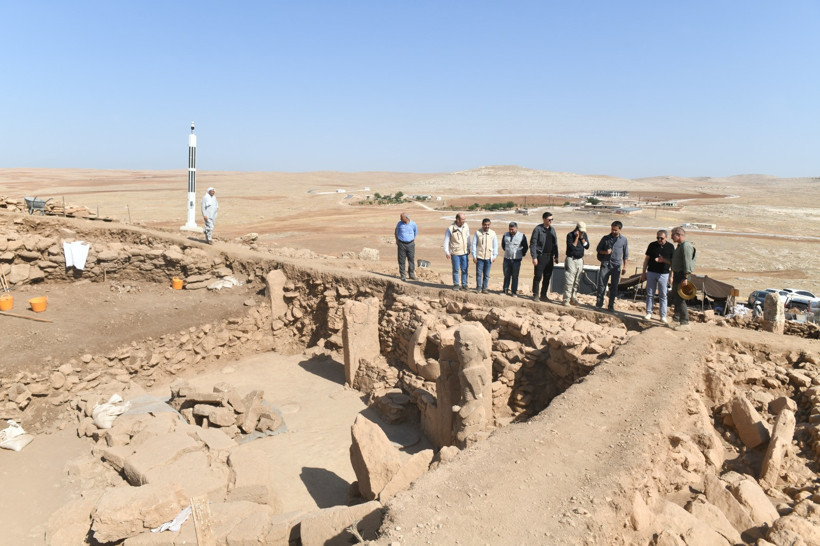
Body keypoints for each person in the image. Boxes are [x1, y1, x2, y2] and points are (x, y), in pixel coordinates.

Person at [641, 229, 674, 322]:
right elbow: (646, 259)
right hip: (651, 272)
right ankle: (648, 313)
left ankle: (663, 315)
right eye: (658, 238)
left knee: (663, 295)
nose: (659, 240)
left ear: (666, 237)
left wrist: (671, 276)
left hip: (664, 274)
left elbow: (673, 263)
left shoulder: (670, 247)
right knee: (650, 294)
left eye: (661, 238)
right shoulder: (652, 245)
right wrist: (644, 272)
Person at [667, 226, 696, 331]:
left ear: (679, 235)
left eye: (672, 235)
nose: (671, 237)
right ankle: (676, 318)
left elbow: (687, 263)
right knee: (676, 297)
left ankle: (685, 323)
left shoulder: (686, 246)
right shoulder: (680, 246)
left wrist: (685, 277)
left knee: (681, 299)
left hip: (683, 276)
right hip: (678, 275)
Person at [595, 221, 629, 311]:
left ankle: (611, 306)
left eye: (615, 230)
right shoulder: (605, 238)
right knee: (601, 285)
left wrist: (625, 267)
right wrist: (605, 252)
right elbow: (598, 249)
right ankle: (599, 304)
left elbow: (625, 255)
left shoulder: (624, 240)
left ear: (620, 230)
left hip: (616, 266)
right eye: (612, 229)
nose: (613, 231)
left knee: (614, 287)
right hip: (605, 265)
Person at [530, 211, 559, 301]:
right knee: (538, 276)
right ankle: (535, 294)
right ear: (544, 219)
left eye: (552, 219)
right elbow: (533, 244)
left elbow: (555, 244)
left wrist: (556, 256)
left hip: (549, 257)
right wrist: (534, 257)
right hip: (540, 256)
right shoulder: (538, 229)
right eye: (549, 219)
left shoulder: (552, 230)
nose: (551, 221)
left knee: (547, 276)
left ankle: (543, 295)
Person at [562, 221, 589, 306]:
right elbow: (572, 247)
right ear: (577, 229)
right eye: (580, 231)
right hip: (571, 259)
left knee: (576, 281)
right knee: (570, 280)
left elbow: (587, 246)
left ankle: (573, 299)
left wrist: (582, 238)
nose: (582, 233)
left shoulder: (584, 236)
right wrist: (577, 237)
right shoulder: (570, 235)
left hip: (580, 260)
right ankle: (566, 299)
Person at [444, 213, 471, 290]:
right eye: (462, 219)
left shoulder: (466, 226)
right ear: (457, 219)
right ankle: (456, 284)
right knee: (456, 269)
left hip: (464, 252)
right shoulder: (450, 228)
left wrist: (469, 247)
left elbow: (468, 238)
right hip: (455, 252)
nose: (464, 221)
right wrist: (447, 252)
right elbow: (446, 241)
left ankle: (464, 284)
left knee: (464, 269)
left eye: (464, 219)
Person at [501, 221, 528, 297]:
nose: (511, 231)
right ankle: (505, 290)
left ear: (516, 228)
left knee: (515, 276)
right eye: (510, 229)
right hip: (507, 258)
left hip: (516, 259)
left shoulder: (521, 236)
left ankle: (514, 292)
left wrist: (522, 254)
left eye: (512, 229)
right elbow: (503, 245)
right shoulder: (505, 235)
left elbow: (525, 247)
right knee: (506, 275)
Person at [471, 219, 498, 293]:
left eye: (488, 225)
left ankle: (484, 288)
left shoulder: (493, 233)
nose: (487, 226)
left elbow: (495, 245)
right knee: (479, 273)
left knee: (486, 274)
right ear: (482, 224)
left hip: (488, 257)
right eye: (485, 224)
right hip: (479, 256)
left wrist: (494, 255)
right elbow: (474, 244)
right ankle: (479, 288)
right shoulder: (477, 232)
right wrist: (474, 255)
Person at [394, 212, 418, 282]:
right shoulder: (399, 224)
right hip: (401, 244)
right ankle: (403, 275)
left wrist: (412, 239)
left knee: (411, 259)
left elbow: (415, 232)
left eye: (401, 218)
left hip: (410, 244)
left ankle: (411, 274)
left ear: (406, 218)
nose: (400, 219)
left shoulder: (413, 224)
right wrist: (397, 240)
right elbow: (396, 232)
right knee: (401, 260)